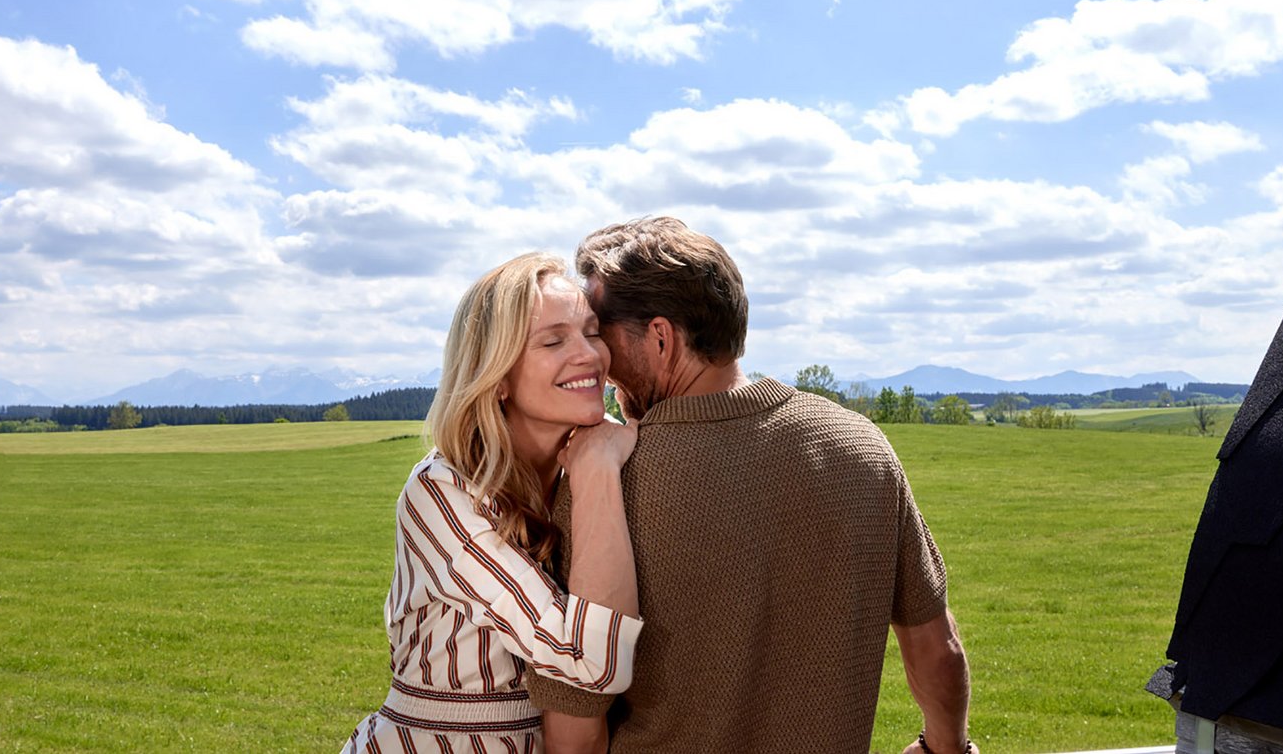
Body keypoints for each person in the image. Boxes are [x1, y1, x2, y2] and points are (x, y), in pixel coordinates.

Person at [527, 217, 975, 754]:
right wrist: (943, 748)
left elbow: (575, 728)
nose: (597, 360)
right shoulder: (861, 446)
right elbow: (937, 646)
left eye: (600, 334)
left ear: (661, 338)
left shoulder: (602, 484)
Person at [342, 252, 645, 753]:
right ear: (496, 377)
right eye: (553, 340)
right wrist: (597, 472)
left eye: (592, 333)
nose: (590, 356)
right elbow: (592, 663)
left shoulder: (587, 466)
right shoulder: (442, 493)